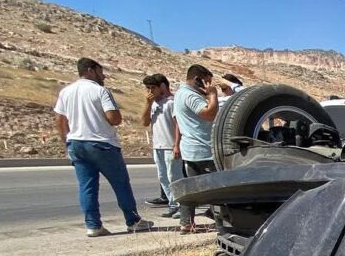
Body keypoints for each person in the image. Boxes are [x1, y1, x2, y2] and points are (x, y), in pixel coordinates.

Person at [54, 57, 153, 236]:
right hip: (102, 144)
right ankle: (133, 221)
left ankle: (93, 225)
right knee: (120, 183)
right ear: (90, 70)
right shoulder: (100, 91)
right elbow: (114, 119)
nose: (104, 76)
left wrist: (67, 142)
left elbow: (60, 120)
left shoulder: (66, 92)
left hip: (76, 143)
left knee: (87, 186)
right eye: (101, 72)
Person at [174, 64, 220, 233]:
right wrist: (213, 95)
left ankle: (186, 222)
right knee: (218, 187)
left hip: (190, 149)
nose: (208, 86)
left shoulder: (179, 94)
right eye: (206, 82)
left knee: (191, 189)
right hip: (203, 149)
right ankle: (220, 218)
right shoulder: (190, 96)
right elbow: (209, 114)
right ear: (197, 79)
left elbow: (178, 121)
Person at [141, 74, 182, 218]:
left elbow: (178, 125)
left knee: (174, 177)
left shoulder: (171, 103)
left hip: (170, 145)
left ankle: (181, 207)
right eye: (148, 88)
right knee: (163, 177)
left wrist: (176, 144)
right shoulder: (152, 105)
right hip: (157, 146)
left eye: (153, 88)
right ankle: (173, 204)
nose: (150, 91)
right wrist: (147, 104)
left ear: (162, 87)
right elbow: (145, 122)